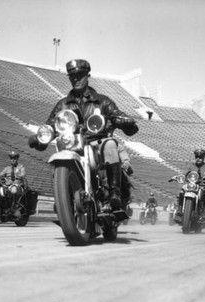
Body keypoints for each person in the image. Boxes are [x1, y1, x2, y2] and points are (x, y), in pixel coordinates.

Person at [28, 58, 138, 211]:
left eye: (80, 75)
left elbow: (117, 115)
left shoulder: (103, 101)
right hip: (72, 145)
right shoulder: (62, 105)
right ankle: (63, 198)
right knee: (59, 158)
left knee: (111, 144)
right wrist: (40, 138)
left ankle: (115, 194)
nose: (76, 79)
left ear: (88, 76)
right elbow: (51, 126)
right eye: (73, 76)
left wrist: (125, 121)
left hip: (96, 144)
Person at [174, 149, 205, 222]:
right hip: (191, 185)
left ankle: (204, 213)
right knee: (182, 190)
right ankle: (179, 211)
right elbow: (184, 173)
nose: (198, 159)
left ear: (203, 158)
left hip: (203, 186)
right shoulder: (191, 166)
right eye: (197, 157)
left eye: (200, 157)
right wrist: (178, 176)